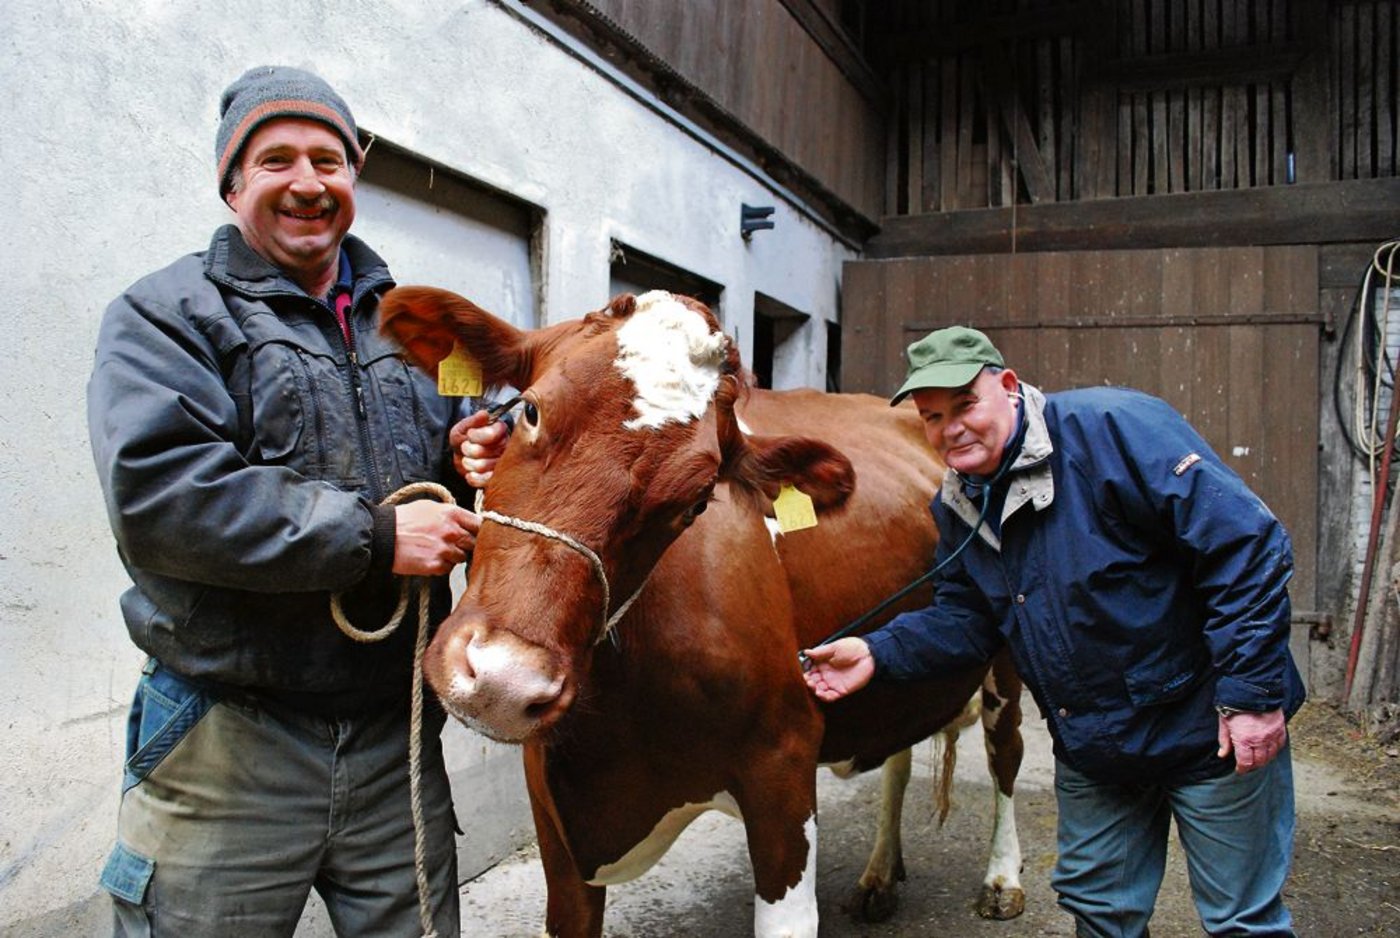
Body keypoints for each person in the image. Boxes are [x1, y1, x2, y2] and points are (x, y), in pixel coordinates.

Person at [88, 65, 509, 936]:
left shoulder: (416, 323)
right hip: (231, 735)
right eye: (276, 159)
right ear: (232, 181)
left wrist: (486, 443)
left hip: (396, 736)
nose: (308, 183)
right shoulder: (167, 315)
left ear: (354, 174)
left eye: (329, 159)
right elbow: (164, 494)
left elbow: (478, 415)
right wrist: (376, 535)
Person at [802, 327, 1305, 937]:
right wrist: (876, 651)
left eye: (966, 405)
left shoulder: (1114, 430)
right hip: (1094, 741)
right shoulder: (959, 503)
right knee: (1099, 913)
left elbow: (1246, 547)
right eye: (933, 417)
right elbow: (966, 619)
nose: (951, 428)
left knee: (1241, 920)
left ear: (1008, 388)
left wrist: (1251, 699)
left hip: (1207, 727)